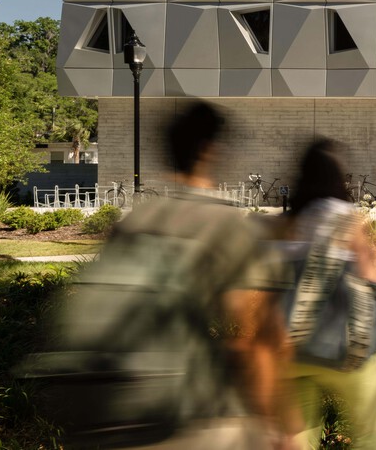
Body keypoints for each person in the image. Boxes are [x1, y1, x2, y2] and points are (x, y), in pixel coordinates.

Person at [25, 100, 291, 450]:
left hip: (108, 411)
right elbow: (256, 340)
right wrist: (275, 424)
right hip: (180, 420)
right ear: (211, 150)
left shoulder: (135, 222)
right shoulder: (223, 225)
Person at [279, 139, 376, 450]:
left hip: (291, 349)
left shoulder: (285, 224)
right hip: (347, 348)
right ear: (336, 177)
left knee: (298, 438)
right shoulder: (345, 216)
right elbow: (374, 274)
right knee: (369, 434)